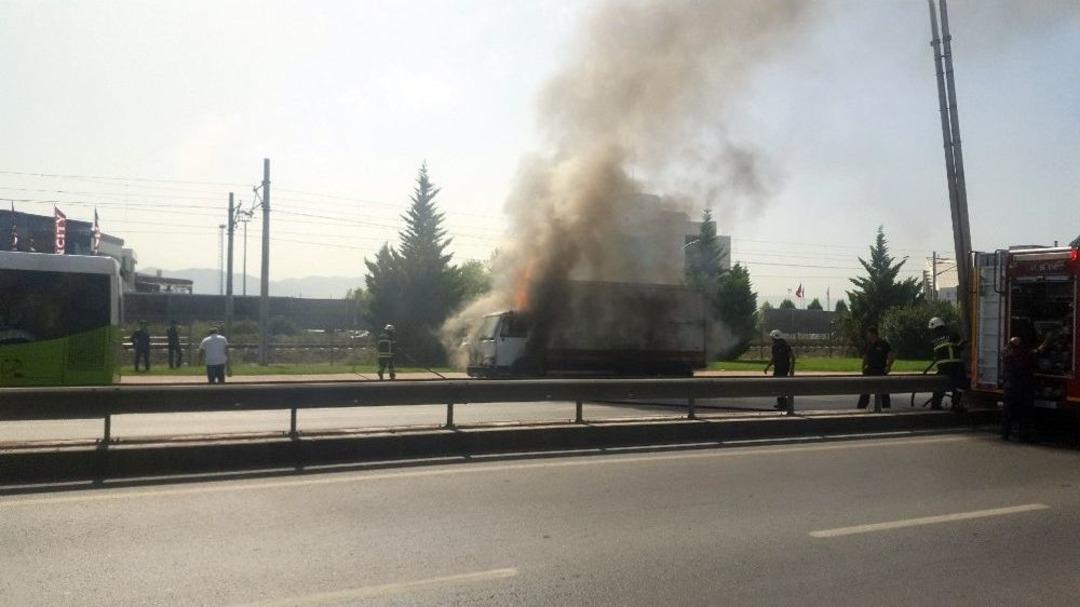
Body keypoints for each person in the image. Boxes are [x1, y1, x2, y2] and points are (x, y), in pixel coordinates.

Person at [1001, 336, 1039, 441]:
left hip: (1009, 387)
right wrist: (1046, 343)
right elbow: (1036, 353)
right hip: (1023, 387)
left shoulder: (1007, 354)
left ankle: (1005, 434)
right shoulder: (1024, 354)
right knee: (1024, 413)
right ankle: (1023, 436)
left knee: (1007, 413)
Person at [924, 317, 966, 410]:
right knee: (960, 383)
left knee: (940, 383)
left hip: (942, 366)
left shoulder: (934, 338)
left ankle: (935, 404)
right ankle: (956, 404)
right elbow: (961, 346)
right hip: (956, 364)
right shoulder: (952, 334)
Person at [856, 326, 894, 409]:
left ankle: (886, 408)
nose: (867, 336)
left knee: (884, 392)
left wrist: (888, 366)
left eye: (869, 334)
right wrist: (863, 367)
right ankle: (861, 408)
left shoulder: (883, 344)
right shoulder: (868, 345)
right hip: (869, 370)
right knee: (865, 392)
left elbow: (891, 356)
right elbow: (865, 357)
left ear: (874, 334)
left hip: (880, 370)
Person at [763, 329, 795, 412]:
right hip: (785, 368)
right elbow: (793, 357)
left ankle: (782, 403)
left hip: (778, 368)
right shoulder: (786, 345)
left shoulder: (775, 346)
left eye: (772, 338)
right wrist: (792, 368)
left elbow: (774, 358)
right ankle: (783, 403)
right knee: (783, 384)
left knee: (778, 385)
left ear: (774, 338)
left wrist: (767, 367)